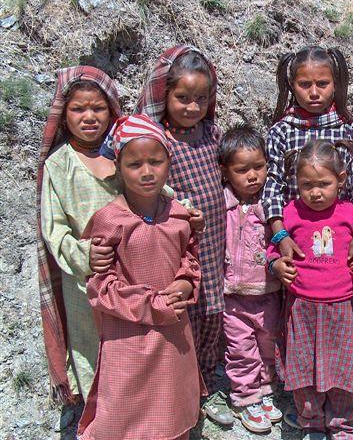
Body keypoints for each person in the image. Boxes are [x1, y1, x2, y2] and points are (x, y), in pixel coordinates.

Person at [77, 114, 202, 440]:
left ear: (169, 161)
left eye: (155, 161)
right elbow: (100, 286)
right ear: (118, 167)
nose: (147, 172)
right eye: (135, 164)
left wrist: (186, 282)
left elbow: (189, 257)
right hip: (129, 336)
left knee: (171, 407)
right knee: (127, 414)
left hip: (173, 334)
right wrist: (153, 304)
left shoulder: (177, 213)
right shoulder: (109, 220)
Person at [135, 45, 232, 425]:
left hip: (214, 247)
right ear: (164, 96)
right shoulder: (158, 141)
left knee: (212, 318)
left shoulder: (212, 133)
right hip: (179, 251)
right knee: (181, 322)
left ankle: (207, 386)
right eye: (183, 98)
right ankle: (178, 393)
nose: (192, 107)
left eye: (201, 99)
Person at [268, 139, 353, 440]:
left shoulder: (352, 215)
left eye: (324, 184)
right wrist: (276, 265)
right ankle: (312, 424)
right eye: (307, 185)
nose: (315, 192)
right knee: (304, 369)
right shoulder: (290, 213)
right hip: (302, 309)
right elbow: (273, 250)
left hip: (343, 308)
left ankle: (343, 426)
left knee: (345, 367)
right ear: (296, 183)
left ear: (341, 181)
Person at [38, 66, 124, 405]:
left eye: (98, 108)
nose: (89, 117)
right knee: (94, 352)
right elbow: (54, 229)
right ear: (64, 114)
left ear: (112, 111)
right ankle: (100, 416)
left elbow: (156, 188)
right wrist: (83, 254)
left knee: (131, 346)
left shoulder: (124, 153)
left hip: (133, 274)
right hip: (85, 283)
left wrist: (183, 208)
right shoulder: (59, 165)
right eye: (78, 109)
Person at [262, 45, 353, 271]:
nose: (314, 92)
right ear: (292, 86)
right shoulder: (282, 131)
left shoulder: (349, 131)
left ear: (335, 84)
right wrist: (280, 236)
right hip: (293, 239)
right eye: (305, 85)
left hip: (341, 241)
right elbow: (272, 189)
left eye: (322, 84)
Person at [218, 124, 283, 433]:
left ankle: (266, 390)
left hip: (269, 292)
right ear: (226, 171)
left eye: (259, 166)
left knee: (268, 344)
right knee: (241, 349)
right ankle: (245, 397)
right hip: (232, 297)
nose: (253, 175)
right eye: (242, 169)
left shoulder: (272, 206)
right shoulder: (221, 204)